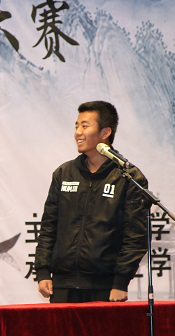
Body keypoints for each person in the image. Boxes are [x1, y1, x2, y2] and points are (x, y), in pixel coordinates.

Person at [35, 100, 149, 303]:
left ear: (105, 132)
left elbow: (135, 236)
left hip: (106, 288)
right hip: (62, 286)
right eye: (76, 126)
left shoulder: (129, 177)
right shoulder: (64, 173)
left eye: (85, 126)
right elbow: (49, 226)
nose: (78, 133)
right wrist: (43, 271)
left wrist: (120, 282)